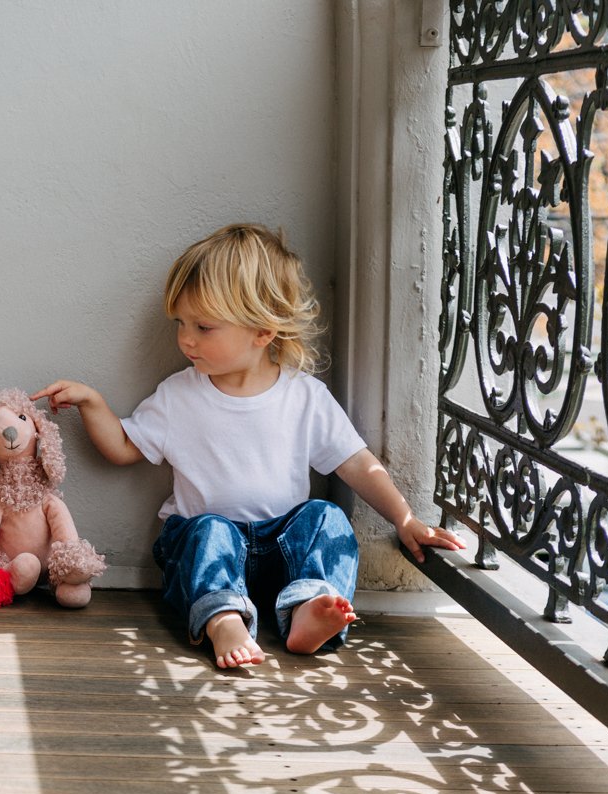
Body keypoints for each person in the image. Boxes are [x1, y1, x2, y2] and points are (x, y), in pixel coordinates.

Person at [32, 223, 464, 669]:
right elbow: (124, 446)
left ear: (262, 331)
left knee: (327, 518)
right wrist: (93, 403)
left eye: (203, 326)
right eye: (180, 323)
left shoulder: (303, 397)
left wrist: (404, 517)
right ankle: (223, 618)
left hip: (283, 548)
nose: (185, 339)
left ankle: (307, 607)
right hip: (208, 548)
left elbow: (356, 464)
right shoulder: (181, 395)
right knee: (206, 530)